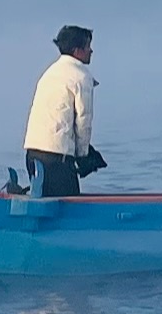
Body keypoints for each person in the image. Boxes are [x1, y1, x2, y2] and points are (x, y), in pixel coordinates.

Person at [22, 25, 104, 197]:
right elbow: (83, 121)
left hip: (32, 153)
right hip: (57, 158)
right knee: (70, 205)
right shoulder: (82, 76)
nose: (91, 51)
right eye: (88, 46)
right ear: (77, 51)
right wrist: (83, 155)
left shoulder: (50, 73)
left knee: (44, 198)